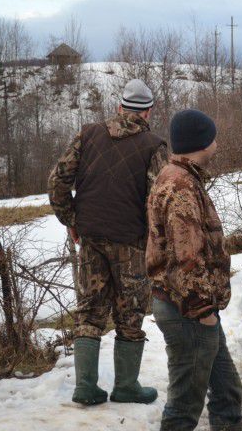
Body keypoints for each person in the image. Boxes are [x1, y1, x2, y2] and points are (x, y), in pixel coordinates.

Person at [48, 78, 166, 406]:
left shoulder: (88, 134)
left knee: (89, 310)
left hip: (91, 238)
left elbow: (57, 181)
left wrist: (71, 219)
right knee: (130, 312)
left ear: (119, 107)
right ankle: (126, 387)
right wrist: (157, 243)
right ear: (148, 112)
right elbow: (159, 200)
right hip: (131, 242)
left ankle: (85, 387)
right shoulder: (154, 146)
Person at [147, 109, 242, 431]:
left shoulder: (182, 178)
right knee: (183, 407)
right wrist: (202, 309)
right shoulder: (180, 186)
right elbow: (186, 256)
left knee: (227, 392)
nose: (217, 144)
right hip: (188, 310)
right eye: (213, 137)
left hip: (193, 308)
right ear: (201, 142)